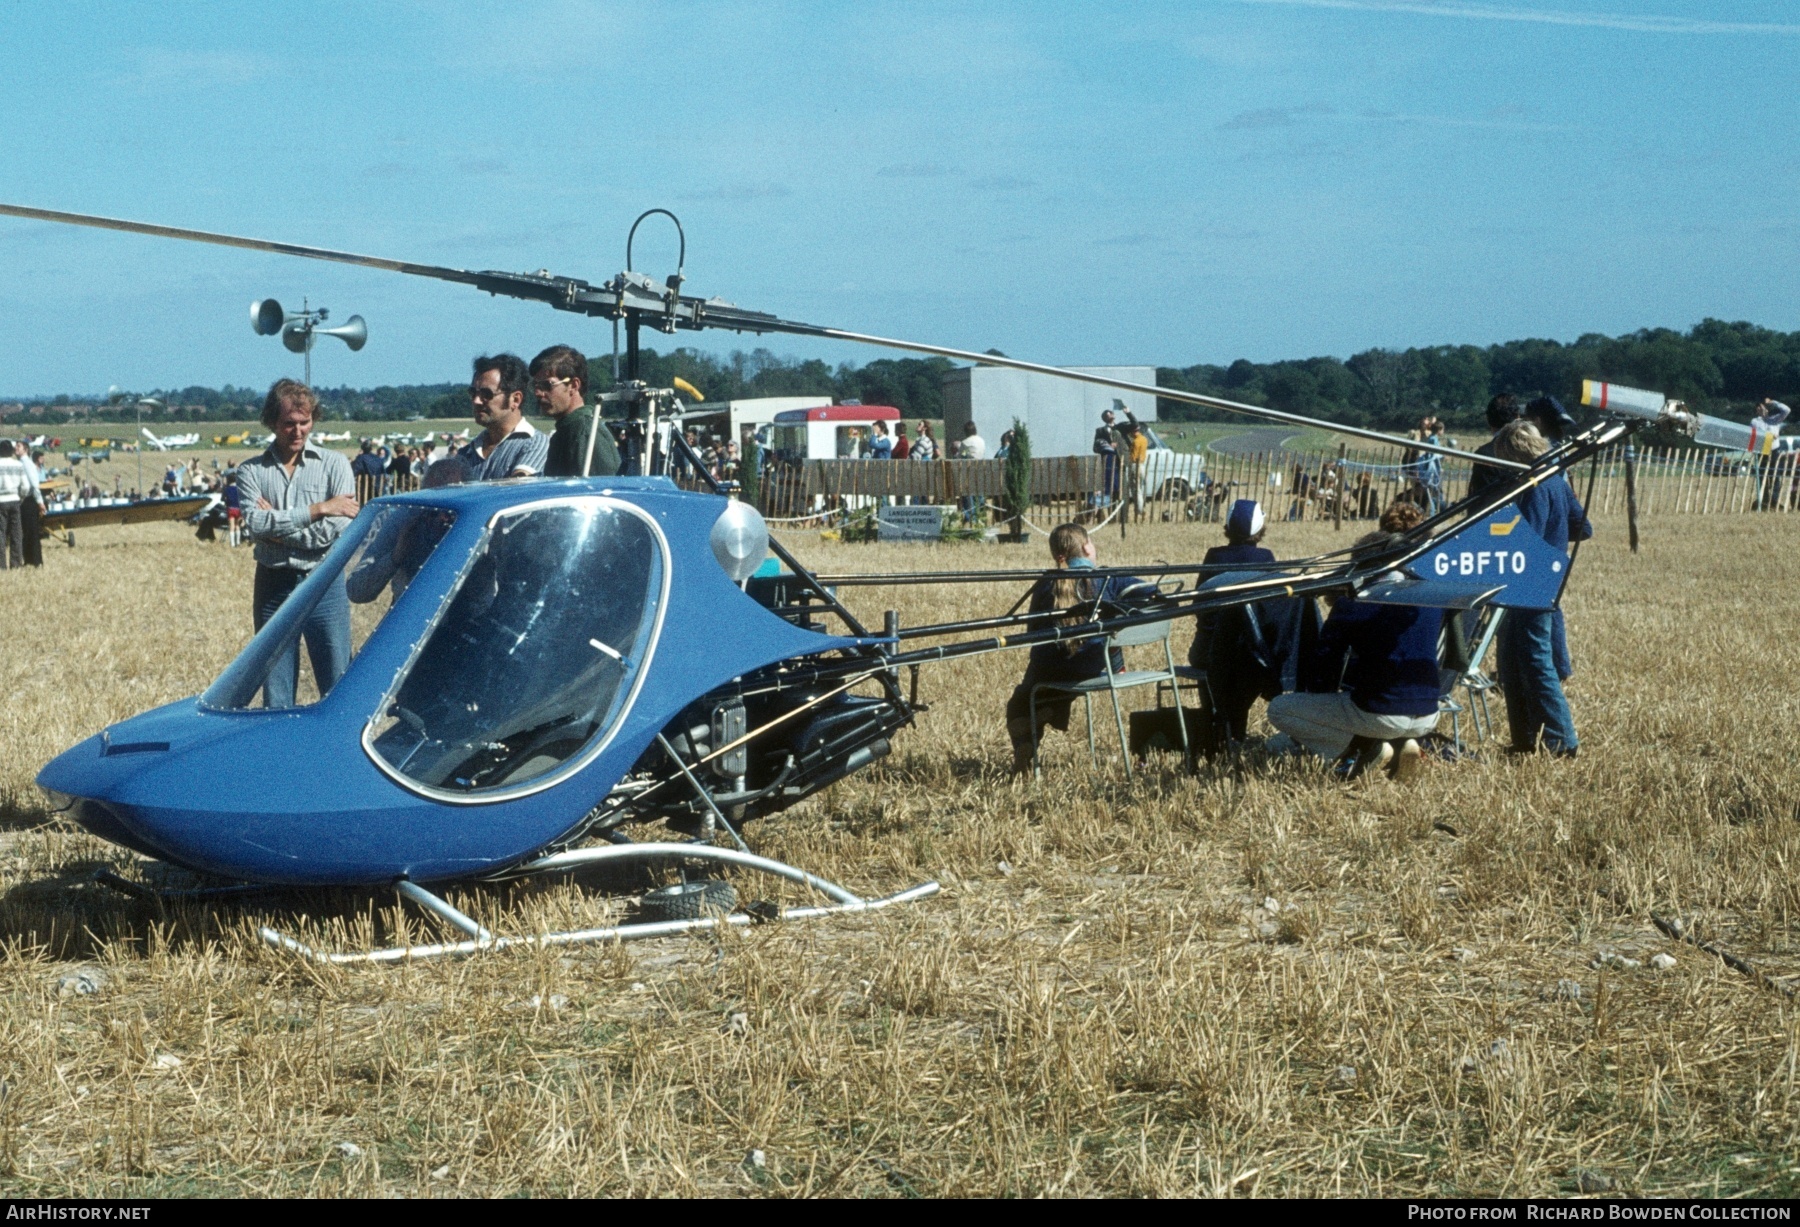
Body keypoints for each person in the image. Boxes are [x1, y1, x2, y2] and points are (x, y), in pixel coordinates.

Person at [1265, 502, 1442, 781]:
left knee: (1279, 709)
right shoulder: (1433, 597)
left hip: (1380, 712)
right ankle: (1400, 745)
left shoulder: (1353, 604)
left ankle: (1360, 750)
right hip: (1429, 713)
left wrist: (1319, 698)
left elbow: (1325, 662)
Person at [235, 379, 360, 709]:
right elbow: (255, 523)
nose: (298, 431)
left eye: (305, 422)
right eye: (289, 423)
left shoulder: (335, 464)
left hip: (324, 582)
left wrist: (277, 529)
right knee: (275, 688)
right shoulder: (251, 471)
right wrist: (319, 509)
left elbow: (335, 530)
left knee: (337, 682)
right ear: (272, 422)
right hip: (273, 583)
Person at [1004, 522, 1150, 773]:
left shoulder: (1045, 583)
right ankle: (1051, 709)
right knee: (1076, 671)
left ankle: (1029, 741)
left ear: (1056, 555)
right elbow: (1152, 593)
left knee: (1020, 703)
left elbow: (1033, 633)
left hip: (1047, 669)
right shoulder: (1109, 578)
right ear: (1086, 547)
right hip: (1091, 666)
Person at [1490, 419, 1590, 757]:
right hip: (1545, 578)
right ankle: (1525, 740)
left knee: (1535, 660)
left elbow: (1526, 536)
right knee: (1512, 660)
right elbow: (1584, 527)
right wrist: (1556, 535)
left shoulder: (1532, 485)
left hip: (1529, 580)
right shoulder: (1556, 480)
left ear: (1514, 452)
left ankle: (1563, 741)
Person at [531, 344, 620, 479]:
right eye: (535, 385)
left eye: (547, 385)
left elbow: (602, 489)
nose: (538, 393)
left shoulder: (585, 433)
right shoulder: (566, 432)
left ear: (574, 385)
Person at [459, 354, 549, 480]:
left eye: (486, 394)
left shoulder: (535, 444)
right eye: (473, 393)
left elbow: (517, 489)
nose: (476, 401)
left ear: (515, 400)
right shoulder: (466, 453)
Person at [1467, 394, 1521, 499]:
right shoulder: (1531, 449)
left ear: (1487, 419)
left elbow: (1479, 499)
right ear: (1518, 417)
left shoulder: (1485, 455)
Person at [0, 440, 36, 569]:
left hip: (0, 501)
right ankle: (15, 563)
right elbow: (26, 486)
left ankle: (1, 565)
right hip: (15, 500)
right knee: (16, 533)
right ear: (11, 451)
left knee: (1, 533)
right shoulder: (18, 465)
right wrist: (21, 497)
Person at [1752, 398, 1790, 509]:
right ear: (1757, 410)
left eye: (1763, 406)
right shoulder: (1755, 422)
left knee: (1775, 475)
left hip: (1774, 450)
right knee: (1762, 475)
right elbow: (1754, 435)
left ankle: (1774, 500)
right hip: (1762, 450)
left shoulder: (1775, 419)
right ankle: (1764, 500)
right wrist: (1769, 436)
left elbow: (1787, 410)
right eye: (1759, 407)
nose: (1761, 409)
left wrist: (1773, 402)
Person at [16, 441, 44, 567]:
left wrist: (40, 502)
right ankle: (29, 559)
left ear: (26, 449)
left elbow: (34, 484)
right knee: (27, 531)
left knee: (31, 531)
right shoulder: (22, 463)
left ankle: (35, 560)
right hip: (26, 500)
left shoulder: (26, 463)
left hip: (29, 500)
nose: (16, 448)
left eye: (19, 446)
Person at [224, 473, 242, 547]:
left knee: (232, 525)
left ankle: (232, 543)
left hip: (230, 508)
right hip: (239, 509)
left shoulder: (226, 489)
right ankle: (238, 542)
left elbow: (224, 499)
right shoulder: (239, 489)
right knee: (237, 525)